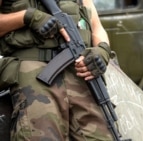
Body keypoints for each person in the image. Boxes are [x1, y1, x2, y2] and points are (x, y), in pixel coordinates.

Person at [0, 0, 114, 140]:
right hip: (34, 75)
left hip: (80, 71)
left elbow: (96, 27)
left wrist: (102, 50)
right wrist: (27, 17)